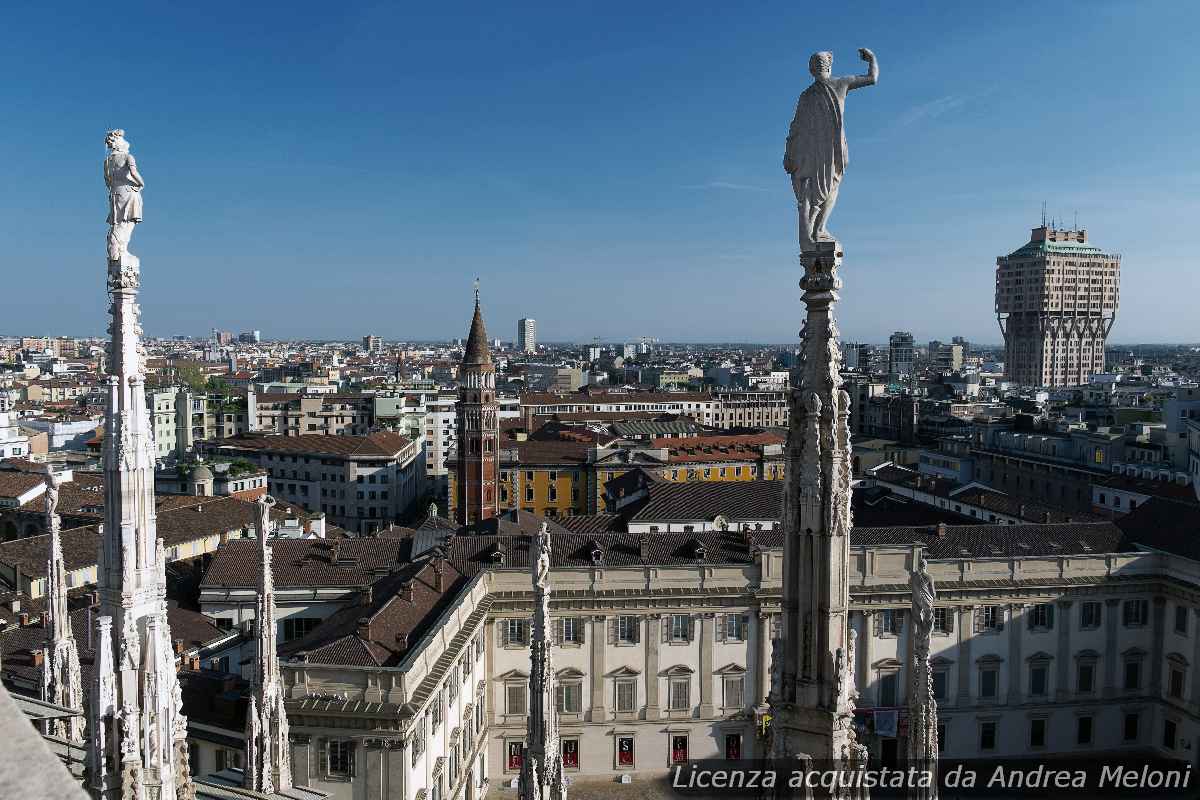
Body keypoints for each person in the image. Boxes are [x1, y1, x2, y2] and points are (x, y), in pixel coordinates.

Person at [784, 49, 878, 250]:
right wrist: (872, 59)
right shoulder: (840, 84)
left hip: (812, 150)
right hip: (830, 149)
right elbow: (872, 78)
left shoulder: (806, 95)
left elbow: (795, 127)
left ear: (811, 69)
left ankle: (811, 232)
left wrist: (789, 152)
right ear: (829, 65)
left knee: (810, 191)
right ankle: (817, 230)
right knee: (831, 187)